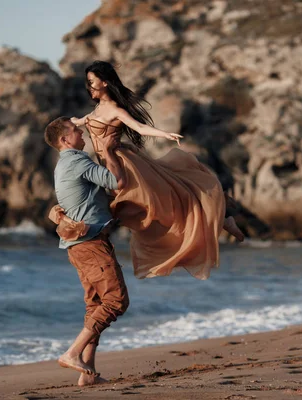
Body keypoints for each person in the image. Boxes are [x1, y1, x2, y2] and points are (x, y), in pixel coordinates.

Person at [57, 60, 244, 281]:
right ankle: (221, 211)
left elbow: (138, 127)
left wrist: (165, 134)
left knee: (162, 203)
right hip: (107, 165)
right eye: (87, 83)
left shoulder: (115, 109)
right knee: (140, 207)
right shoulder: (97, 109)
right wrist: (70, 124)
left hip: (123, 164)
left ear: (104, 83)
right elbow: (82, 121)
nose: (88, 87)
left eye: (91, 82)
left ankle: (221, 213)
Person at [44, 116, 129, 386]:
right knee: (116, 301)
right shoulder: (77, 160)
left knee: (95, 306)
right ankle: (72, 353)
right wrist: (110, 151)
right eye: (75, 131)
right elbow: (116, 181)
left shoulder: (63, 165)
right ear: (64, 140)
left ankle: (87, 373)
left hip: (79, 246)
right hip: (90, 245)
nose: (80, 133)